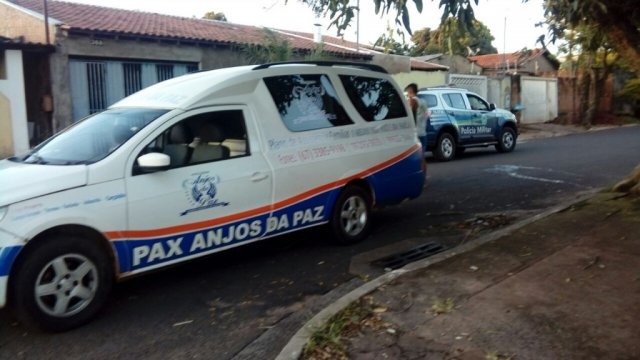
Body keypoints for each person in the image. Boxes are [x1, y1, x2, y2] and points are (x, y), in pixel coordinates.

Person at [404, 83, 429, 155]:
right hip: (422, 133)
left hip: (414, 135)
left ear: (411, 92)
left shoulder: (412, 101)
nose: (407, 95)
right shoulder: (423, 102)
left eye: (407, 92)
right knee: (421, 157)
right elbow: (426, 115)